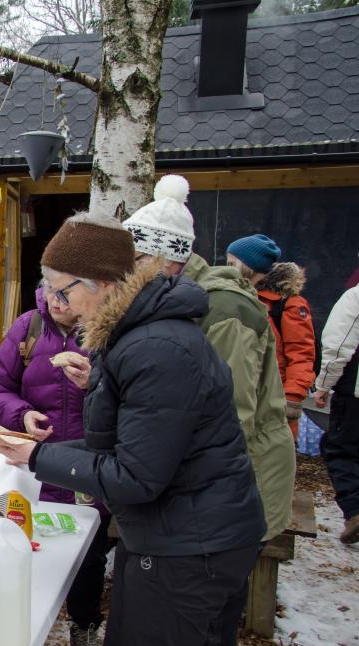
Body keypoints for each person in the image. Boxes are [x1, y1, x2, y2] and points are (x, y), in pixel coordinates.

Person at [0, 213, 265, 646]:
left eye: (60, 290)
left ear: (105, 284)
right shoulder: (144, 337)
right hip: (202, 536)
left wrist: (35, 457)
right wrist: (101, 387)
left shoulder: (155, 348)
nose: (54, 303)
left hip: (187, 548)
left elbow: (134, 475)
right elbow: (137, 434)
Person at [127, 175, 295, 542]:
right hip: (206, 482)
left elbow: (233, 413)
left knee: (221, 588)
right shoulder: (176, 298)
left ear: (165, 259)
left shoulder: (222, 309)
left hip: (244, 479)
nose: (127, 272)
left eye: (134, 259)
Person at [0, 279, 110, 646]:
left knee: (90, 554)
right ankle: (21, 632)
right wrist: (21, 414)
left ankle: (84, 629)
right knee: (24, 553)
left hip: (88, 466)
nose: (56, 302)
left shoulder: (106, 331)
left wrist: (94, 383)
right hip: (31, 471)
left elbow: (130, 397)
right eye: (51, 292)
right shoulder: (28, 328)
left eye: (64, 294)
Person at [226, 234, 316, 438]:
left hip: (274, 395)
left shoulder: (288, 304)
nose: (227, 266)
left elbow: (301, 353)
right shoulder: (238, 295)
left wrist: (291, 397)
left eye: (232, 262)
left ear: (248, 265)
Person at [312, 285, 359, 543]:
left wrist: (324, 385)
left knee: (339, 448)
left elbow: (339, 345)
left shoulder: (355, 297)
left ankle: (355, 512)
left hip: (354, 392)